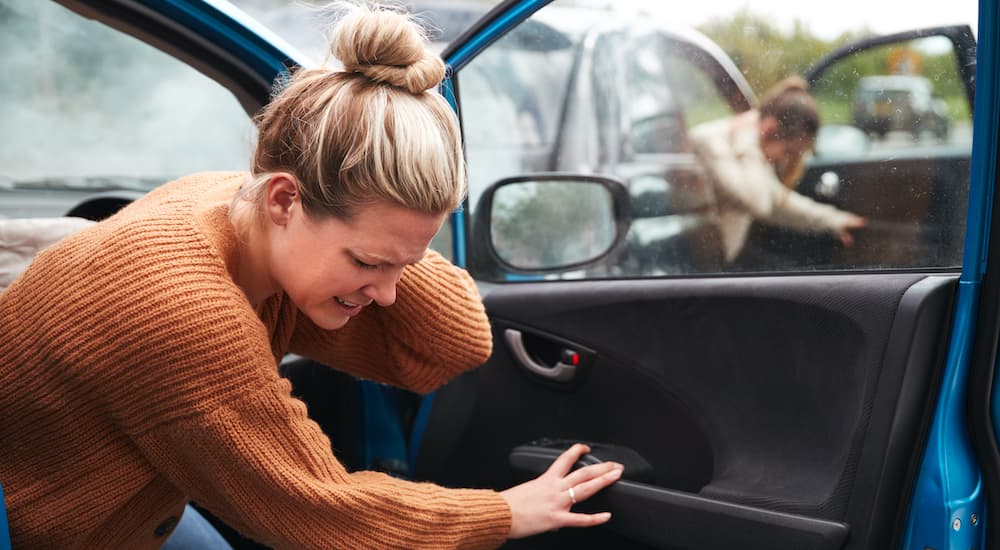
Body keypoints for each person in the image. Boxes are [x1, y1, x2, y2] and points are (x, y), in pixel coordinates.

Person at [0, 3, 623, 548]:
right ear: (282, 201)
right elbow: (319, 512)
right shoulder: (182, 310)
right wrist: (503, 512)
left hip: (131, 513)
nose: (386, 295)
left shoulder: (228, 205)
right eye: (366, 262)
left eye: (407, 264)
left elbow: (454, 344)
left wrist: (391, 244)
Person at [688, 76, 867, 265]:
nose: (785, 160)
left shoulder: (749, 151)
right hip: (696, 270)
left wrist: (835, 221)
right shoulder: (712, 143)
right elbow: (760, 203)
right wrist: (747, 138)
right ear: (769, 128)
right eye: (789, 151)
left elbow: (778, 201)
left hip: (717, 261)